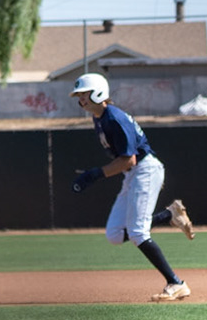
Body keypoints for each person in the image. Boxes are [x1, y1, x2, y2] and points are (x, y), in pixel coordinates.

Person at [68, 73, 196, 301]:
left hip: (145, 170)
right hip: (133, 174)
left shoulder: (114, 118)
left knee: (138, 232)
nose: (81, 99)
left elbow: (129, 160)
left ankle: (176, 283)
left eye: (84, 93)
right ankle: (170, 215)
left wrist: (96, 174)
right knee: (115, 235)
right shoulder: (100, 118)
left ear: (98, 92)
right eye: (79, 95)